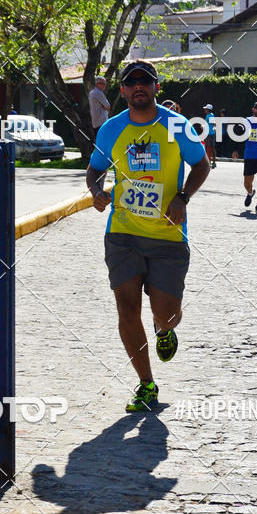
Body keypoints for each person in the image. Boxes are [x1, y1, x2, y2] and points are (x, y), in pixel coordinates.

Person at [86, 59, 210, 413]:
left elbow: (201, 164)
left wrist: (182, 197)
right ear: (122, 90)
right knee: (126, 308)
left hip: (168, 234)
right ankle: (146, 384)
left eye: (145, 81)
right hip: (123, 231)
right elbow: (94, 171)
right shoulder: (110, 129)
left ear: (157, 87)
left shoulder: (178, 126)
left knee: (166, 313)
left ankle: (164, 329)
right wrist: (97, 192)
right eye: (131, 82)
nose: (138, 86)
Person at [88, 76, 110, 142]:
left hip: (96, 122)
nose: (104, 85)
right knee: (104, 143)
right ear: (97, 84)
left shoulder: (92, 92)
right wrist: (104, 107)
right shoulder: (98, 92)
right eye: (102, 83)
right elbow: (108, 106)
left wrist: (104, 106)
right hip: (102, 122)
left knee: (99, 143)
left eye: (105, 83)